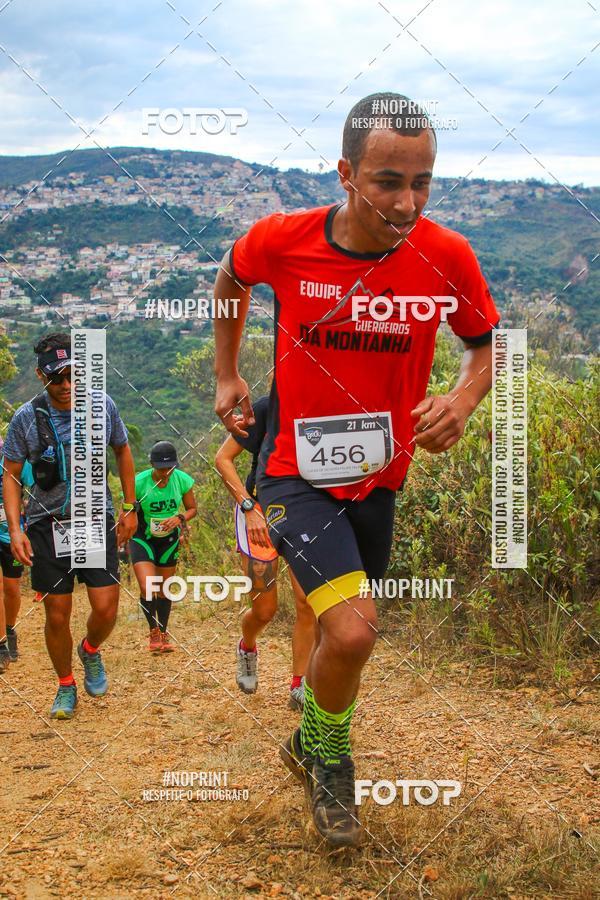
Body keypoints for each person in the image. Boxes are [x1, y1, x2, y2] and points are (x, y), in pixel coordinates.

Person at [213, 92, 500, 848]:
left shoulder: (448, 256)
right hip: (290, 474)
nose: (407, 202)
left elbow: (483, 345)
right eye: (386, 182)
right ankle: (332, 766)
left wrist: (464, 399)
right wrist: (226, 375)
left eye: (422, 182)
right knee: (353, 631)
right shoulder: (283, 241)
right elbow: (230, 280)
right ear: (345, 174)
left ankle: (310, 738)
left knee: (349, 637)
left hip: (380, 479)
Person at [3, 332, 138, 719]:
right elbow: (11, 475)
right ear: (40, 375)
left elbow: (122, 449)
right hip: (47, 524)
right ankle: (65, 684)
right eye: (55, 377)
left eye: (71, 375)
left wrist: (130, 507)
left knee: (106, 608)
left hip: (94, 518)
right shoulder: (26, 418)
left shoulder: (101, 406)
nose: (64, 385)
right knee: (57, 613)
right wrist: (16, 528)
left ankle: (91, 650)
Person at [215, 394, 315, 708]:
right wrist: (247, 507)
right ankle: (247, 646)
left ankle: (299, 685)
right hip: (259, 514)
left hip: (306, 514)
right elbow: (223, 459)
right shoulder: (266, 407)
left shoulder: (326, 403)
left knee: (307, 603)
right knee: (265, 610)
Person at [128, 441, 197, 653]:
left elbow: (192, 508)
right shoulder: (139, 482)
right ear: (152, 465)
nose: (165, 473)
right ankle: (153, 632)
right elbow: (127, 511)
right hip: (142, 537)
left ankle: (164, 632)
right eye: (160, 468)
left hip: (168, 539)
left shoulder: (182, 480)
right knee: (148, 586)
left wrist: (179, 518)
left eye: (169, 468)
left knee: (164, 589)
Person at [0, 437, 34, 670]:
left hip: (11, 535)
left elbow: (35, 489)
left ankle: (9, 629)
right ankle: (1, 645)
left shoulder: (15, 460)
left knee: (12, 589)